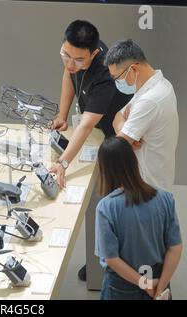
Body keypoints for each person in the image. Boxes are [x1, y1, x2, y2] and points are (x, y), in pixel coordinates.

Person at [50, 20, 132, 282]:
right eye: (66, 55)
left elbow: (85, 125)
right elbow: (68, 76)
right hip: (98, 131)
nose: (70, 63)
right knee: (100, 199)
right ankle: (100, 261)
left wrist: (62, 164)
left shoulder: (104, 75)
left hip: (119, 138)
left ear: (94, 53)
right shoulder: (74, 57)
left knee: (116, 202)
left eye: (78, 59)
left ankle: (118, 266)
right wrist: (62, 115)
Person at [95, 137, 183, 300]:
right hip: (159, 280)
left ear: (104, 168)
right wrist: (160, 286)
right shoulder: (165, 198)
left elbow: (112, 258)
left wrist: (145, 284)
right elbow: (175, 248)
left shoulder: (106, 207)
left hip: (122, 286)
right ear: (133, 160)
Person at [105, 39, 179, 191]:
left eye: (116, 78)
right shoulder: (156, 84)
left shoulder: (150, 100)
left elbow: (119, 148)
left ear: (133, 69)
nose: (116, 83)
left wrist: (125, 137)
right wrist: (125, 127)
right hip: (145, 181)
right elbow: (117, 117)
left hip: (148, 187)